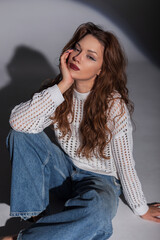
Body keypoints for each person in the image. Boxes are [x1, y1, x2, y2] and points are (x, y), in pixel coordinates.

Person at [4, 22, 160, 240]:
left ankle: (25, 237)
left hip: (101, 181)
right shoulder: (59, 92)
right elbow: (17, 124)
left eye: (90, 56)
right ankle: (37, 217)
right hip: (66, 171)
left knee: (98, 213)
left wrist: (141, 208)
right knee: (19, 136)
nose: (77, 57)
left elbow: (125, 162)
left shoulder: (113, 104)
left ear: (102, 69)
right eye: (77, 48)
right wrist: (63, 85)